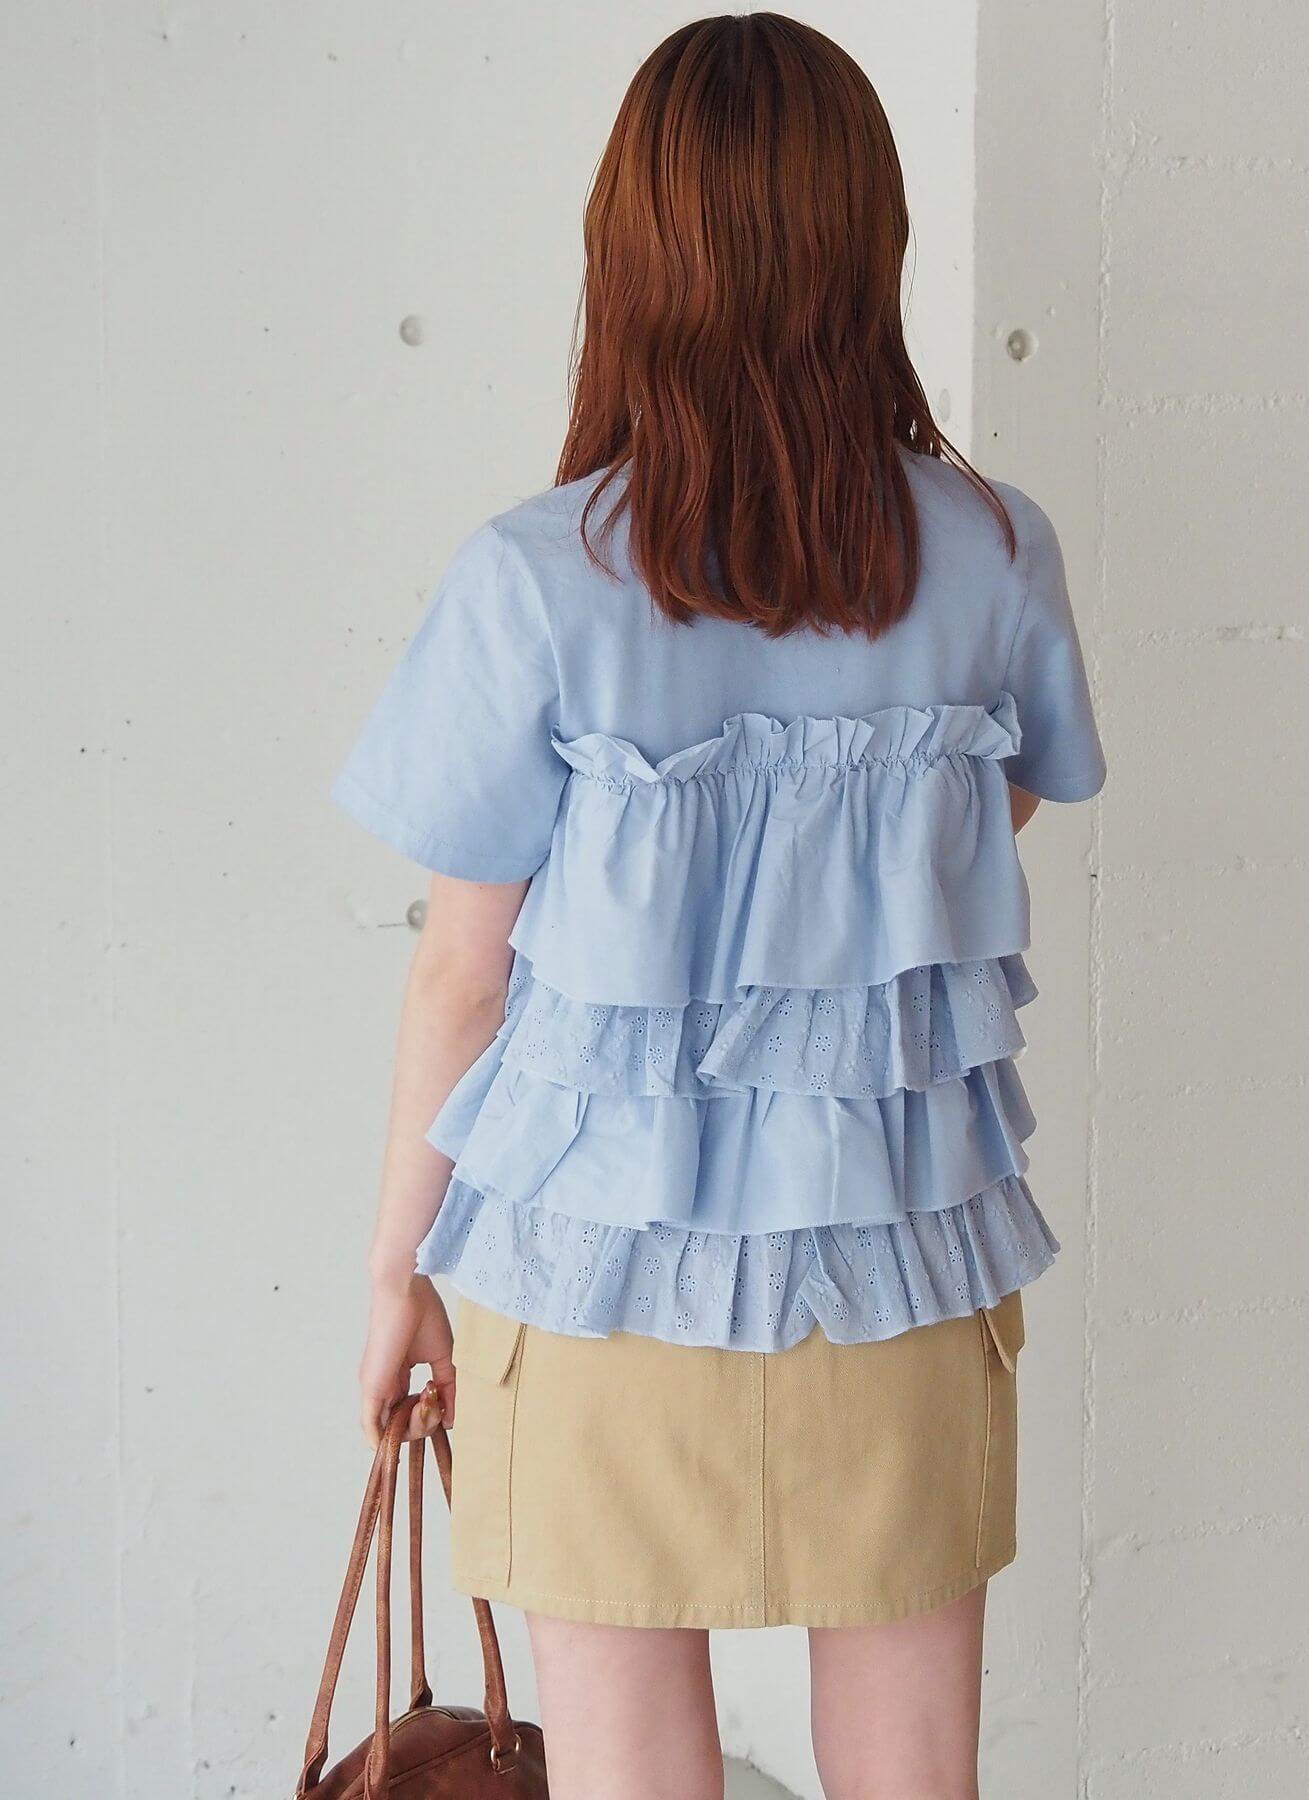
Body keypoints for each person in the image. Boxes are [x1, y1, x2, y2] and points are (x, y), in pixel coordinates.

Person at [332, 14, 1104, 1798]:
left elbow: (462, 977)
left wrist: (396, 1274)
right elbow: (977, 851)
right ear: (870, 243)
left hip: (593, 1266)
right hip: (897, 1252)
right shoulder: (998, 553)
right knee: (912, 1774)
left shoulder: (536, 577)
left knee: (624, 1775)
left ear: (632, 250)